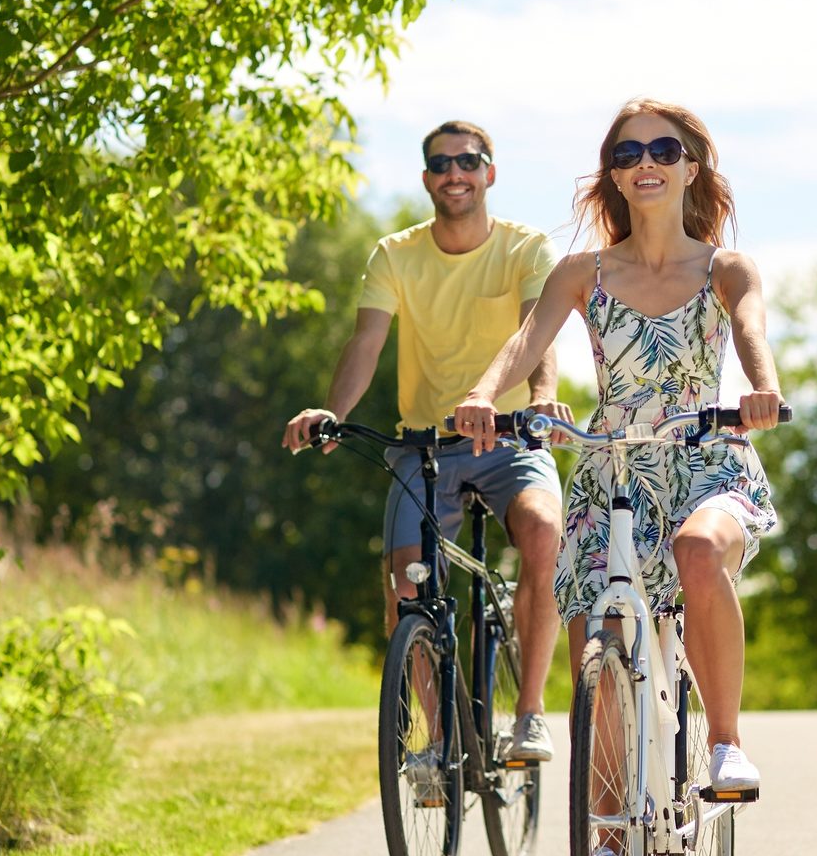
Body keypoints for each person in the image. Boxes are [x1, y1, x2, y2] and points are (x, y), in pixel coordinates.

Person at [451, 97, 781, 801]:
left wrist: (762, 389)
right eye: (627, 155)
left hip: (705, 454)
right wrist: (482, 396)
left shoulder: (726, 268)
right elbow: (524, 343)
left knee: (699, 552)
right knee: (598, 636)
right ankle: (604, 841)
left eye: (663, 151)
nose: (646, 165)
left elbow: (750, 328)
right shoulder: (582, 272)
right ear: (616, 177)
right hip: (614, 466)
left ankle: (725, 744)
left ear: (691, 168)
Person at [282, 120, 568, 763]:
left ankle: (529, 715)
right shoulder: (395, 254)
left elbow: (536, 336)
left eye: (468, 161)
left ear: (489, 172)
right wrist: (333, 411)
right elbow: (366, 344)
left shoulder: (526, 249)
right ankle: (438, 745)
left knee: (545, 533)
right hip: (423, 448)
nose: (454, 173)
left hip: (509, 437)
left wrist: (541, 400)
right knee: (406, 587)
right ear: (426, 180)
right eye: (440, 164)